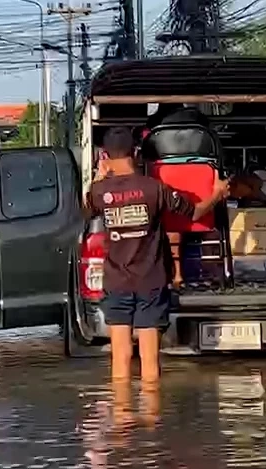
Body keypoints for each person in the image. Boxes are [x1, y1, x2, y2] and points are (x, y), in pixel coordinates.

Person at [86, 127, 229, 382]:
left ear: (105, 155)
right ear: (136, 153)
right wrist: (216, 194)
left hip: (117, 282)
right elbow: (194, 213)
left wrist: (99, 176)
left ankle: (122, 417)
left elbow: (85, 210)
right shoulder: (154, 189)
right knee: (150, 361)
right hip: (150, 281)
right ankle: (152, 419)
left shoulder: (99, 192)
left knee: (120, 358)